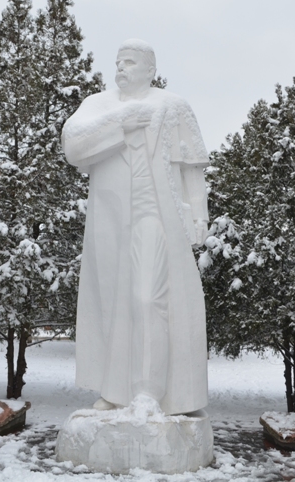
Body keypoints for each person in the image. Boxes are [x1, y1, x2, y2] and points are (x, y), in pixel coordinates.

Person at [62, 39, 209, 415]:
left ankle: (147, 391)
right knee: (112, 302)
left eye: (129, 62)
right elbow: (73, 145)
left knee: (148, 298)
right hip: (110, 220)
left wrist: (199, 215)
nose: (121, 68)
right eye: (118, 62)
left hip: (155, 215)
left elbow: (192, 165)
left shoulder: (172, 106)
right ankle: (116, 392)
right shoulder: (100, 105)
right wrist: (120, 124)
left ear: (150, 69)